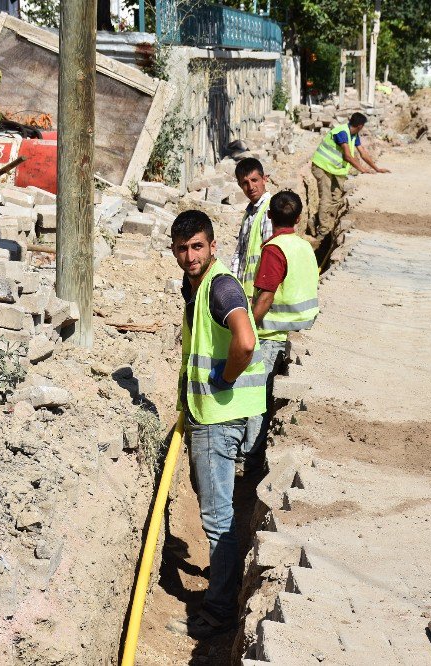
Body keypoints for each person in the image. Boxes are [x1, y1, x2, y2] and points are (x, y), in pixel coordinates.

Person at [170, 210, 267, 639]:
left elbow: (244, 342)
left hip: (217, 418)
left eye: (197, 247)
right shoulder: (198, 285)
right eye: (182, 248)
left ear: (212, 245)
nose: (190, 256)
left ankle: (218, 611)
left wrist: (224, 377)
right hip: (212, 415)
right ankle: (225, 586)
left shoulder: (220, 287)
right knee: (220, 513)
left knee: (218, 520)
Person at [242, 191, 319, 472]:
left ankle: (248, 459)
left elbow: (265, 298)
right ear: (299, 218)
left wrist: (244, 330)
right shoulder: (304, 248)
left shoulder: (275, 249)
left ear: (270, 216)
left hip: (272, 337)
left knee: (254, 399)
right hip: (299, 334)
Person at [310, 112, 389, 270]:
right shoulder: (341, 133)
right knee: (326, 198)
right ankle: (323, 232)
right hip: (321, 167)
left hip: (334, 170)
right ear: (360, 126)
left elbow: (363, 153)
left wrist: (376, 168)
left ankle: (330, 224)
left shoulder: (353, 136)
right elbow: (347, 155)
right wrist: (362, 169)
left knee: (337, 198)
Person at [230, 158, 272, 297]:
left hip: (260, 293)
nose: (251, 187)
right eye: (245, 183)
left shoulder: (270, 210)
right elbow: (240, 252)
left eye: (254, 180)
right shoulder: (248, 214)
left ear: (264, 179)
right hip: (246, 292)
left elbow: (271, 255)